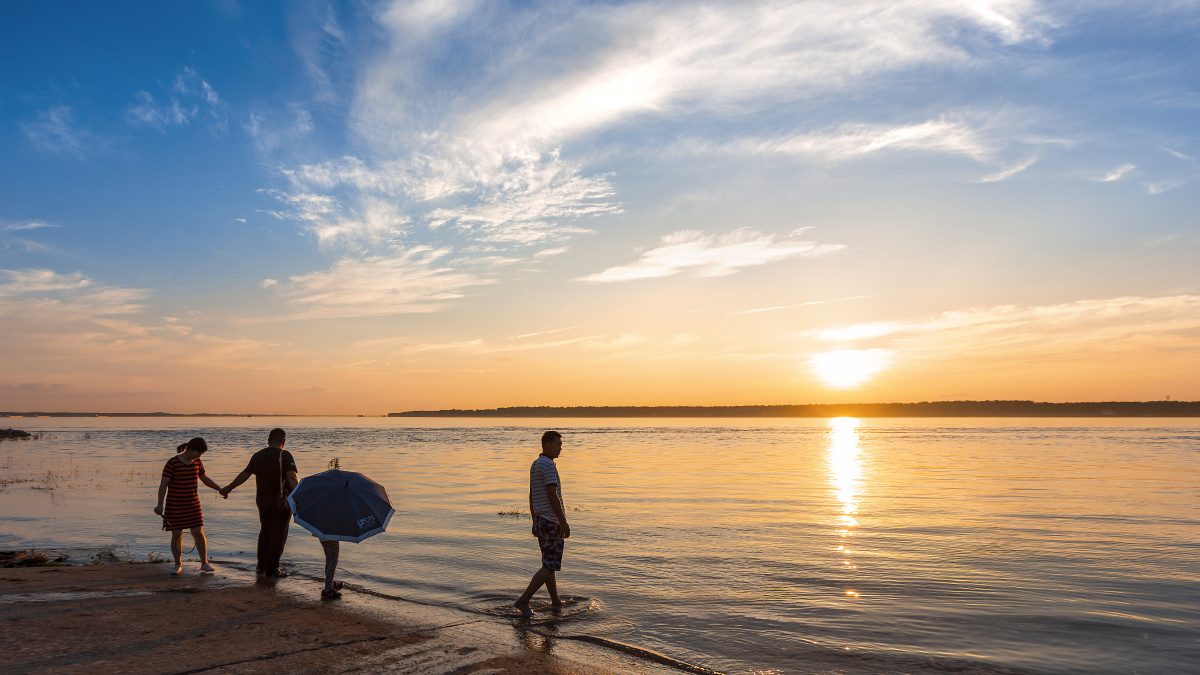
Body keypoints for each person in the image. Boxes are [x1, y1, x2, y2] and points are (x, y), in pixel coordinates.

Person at [220, 428, 298, 578]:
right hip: (281, 503)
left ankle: (261, 566)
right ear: (284, 441)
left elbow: (244, 475)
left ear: (268, 440)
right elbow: (291, 477)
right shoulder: (285, 455)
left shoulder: (258, 455)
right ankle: (272, 569)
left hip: (262, 501)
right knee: (278, 535)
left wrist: (228, 488)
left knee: (265, 532)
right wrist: (301, 497)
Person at [514, 430, 570, 617]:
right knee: (550, 565)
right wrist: (562, 522)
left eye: (560, 445)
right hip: (550, 521)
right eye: (557, 444)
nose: (560, 448)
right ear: (547, 444)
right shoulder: (548, 466)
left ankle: (555, 601)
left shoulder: (536, 464)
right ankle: (524, 600)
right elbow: (552, 495)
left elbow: (532, 494)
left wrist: (534, 520)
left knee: (549, 563)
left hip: (541, 520)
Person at [154, 437, 225, 576]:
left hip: (193, 504)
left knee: (198, 532)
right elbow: (163, 485)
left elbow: (204, 478)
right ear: (191, 449)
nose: (199, 456)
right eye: (198, 453)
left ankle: (204, 563)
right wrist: (159, 505)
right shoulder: (172, 463)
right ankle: (177, 564)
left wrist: (219, 488)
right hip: (175, 505)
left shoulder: (197, 462)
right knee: (177, 534)